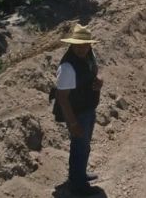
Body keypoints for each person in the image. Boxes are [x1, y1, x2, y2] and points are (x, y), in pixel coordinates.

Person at [54, 24, 103, 196]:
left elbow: (94, 73)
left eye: (85, 44)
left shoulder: (89, 57)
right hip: (77, 113)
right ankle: (77, 185)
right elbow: (62, 98)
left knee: (84, 146)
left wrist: (99, 80)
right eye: (78, 45)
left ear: (90, 44)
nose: (81, 48)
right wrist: (72, 122)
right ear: (72, 44)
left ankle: (80, 175)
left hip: (88, 108)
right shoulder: (67, 67)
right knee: (79, 147)